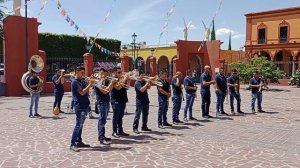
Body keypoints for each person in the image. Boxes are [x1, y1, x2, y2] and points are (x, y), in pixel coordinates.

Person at [70, 67, 95, 152]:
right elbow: (82, 92)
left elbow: (87, 91)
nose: (84, 74)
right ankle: (72, 144)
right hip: (79, 106)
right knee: (78, 125)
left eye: (84, 73)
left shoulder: (82, 81)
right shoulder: (75, 82)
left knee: (81, 125)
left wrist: (90, 82)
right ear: (77, 72)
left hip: (85, 105)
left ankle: (78, 141)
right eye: (82, 73)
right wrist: (89, 84)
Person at [94, 68, 116, 145]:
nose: (105, 75)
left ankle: (101, 135)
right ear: (100, 73)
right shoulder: (97, 81)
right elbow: (105, 91)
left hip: (106, 101)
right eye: (103, 74)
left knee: (104, 120)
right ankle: (101, 137)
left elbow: (109, 90)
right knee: (102, 120)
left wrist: (112, 84)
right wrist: (112, 83)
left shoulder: (104, 81)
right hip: (101, 102)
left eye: (106, 74)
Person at [111, 67, 130, 137]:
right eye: (119, 72)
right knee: (115, 116)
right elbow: (118, 87)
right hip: (116, 100)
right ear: (115, 73)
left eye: (121, 72)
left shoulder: (122, 79)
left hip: (123, 99)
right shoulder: (113, 79)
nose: (121, 73)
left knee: (120, 116)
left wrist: (128, 81)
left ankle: (120, 130)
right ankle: (114, 131)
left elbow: (127, 87)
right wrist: (124, 78)